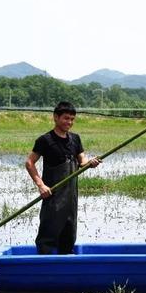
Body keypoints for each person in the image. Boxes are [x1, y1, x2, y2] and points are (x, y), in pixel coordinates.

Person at [25, 101, 100, 254]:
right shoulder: (45, 140)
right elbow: (29, 162)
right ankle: (44, 266)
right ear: (55, 117)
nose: (69, 122)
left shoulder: (75, 139)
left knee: (69, 234)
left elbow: (82, 161)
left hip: (71, 199)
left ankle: (65, 262)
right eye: (66, 118)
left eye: (72, 119)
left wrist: (90, 163)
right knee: (48, 234)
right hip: (52, 197)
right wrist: (41, 185)